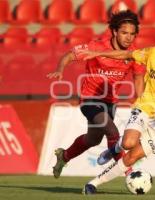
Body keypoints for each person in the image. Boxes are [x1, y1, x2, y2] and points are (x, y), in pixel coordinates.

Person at [78, 21, 155, 195]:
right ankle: (113, 153)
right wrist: (97, 53)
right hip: (145, 107)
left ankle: (94, 182)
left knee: (131, 157)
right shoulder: (154, 53)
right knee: (128, 142)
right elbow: (125, 54)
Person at [46, 10, 145, 179]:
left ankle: (64, 156)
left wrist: (141, 100)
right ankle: (128, 172)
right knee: (112, 132)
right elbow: (70, 55)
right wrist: (59, 69)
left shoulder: (134, 54)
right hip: (90, 99)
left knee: (93, 140)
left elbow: (138, 77)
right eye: (124, 33)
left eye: (132, 34)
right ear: (114, 32)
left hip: (110, 102)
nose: (128, 38)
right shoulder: (96, 46)